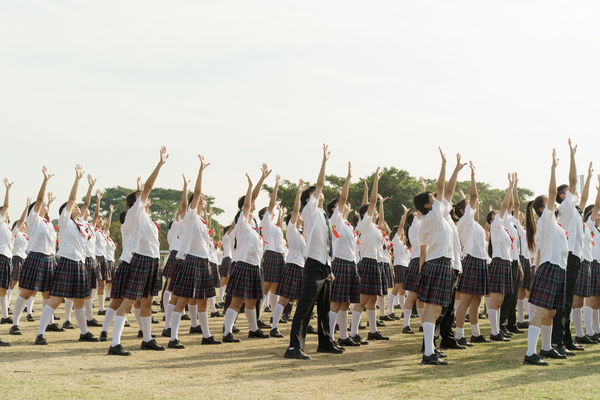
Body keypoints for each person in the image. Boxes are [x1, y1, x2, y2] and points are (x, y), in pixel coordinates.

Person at [107, 146, 168, 356]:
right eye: (141, 195)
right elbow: (149, 186)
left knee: (148, 301)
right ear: (135, 202)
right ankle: (115, 343)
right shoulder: (134, 212)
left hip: (152, 260)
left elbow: (145, 190)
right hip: (140, 259)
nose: (146, 195)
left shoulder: (145, 216)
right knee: (129, 301)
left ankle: (148, 339)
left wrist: (139, 188)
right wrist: (159, 164)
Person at [284, 144, 343, 359]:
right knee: (305, 308)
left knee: (325, 309)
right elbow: (319, 183)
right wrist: (324, 162)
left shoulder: (323, 215)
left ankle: (325, 343)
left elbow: (326, 241)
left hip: (324, 265)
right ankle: (294, 347)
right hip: (313, 264)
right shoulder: (309, 210)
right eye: (316, 194)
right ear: (309, 199)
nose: (320, 194)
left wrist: (330, 266)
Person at [35, 164, 99, 345]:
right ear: (66, 211)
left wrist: (90, 188)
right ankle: (40, 334)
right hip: (67, 262)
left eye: (78, 207)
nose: (78, 207)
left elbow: (86, 205)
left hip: (80, 264)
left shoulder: (81, 224)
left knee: (80, 300)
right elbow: (72, 199)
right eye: (75, 207)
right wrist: (77, 179)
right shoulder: (65, 220)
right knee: (55, 299)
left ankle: (84, 332)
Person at [524, 149, 570, 365]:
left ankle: (546, 347)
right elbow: (552, 192)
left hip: (558, 268)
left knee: (551, 312)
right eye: (550, 202)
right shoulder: (547, 220)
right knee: (542, 312)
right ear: (543, 208)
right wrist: (553, 168)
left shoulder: (555, 224)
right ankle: (530, 353)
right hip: (550, 268)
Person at [413, 148, 456, 365]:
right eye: (432, 197)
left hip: (435, 263)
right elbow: (442, 188)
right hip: (439, 263)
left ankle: (430, 350)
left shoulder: (431, 218)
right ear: (428, 205)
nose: (436, 197)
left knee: (434, 310)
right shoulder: (433, 216)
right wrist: (444, 164)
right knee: (434, 309)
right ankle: (428, 353)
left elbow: (444, 192)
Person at [10, 167, 57, 336]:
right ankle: (14, 323)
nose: (44, 205)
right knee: (28, 291)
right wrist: (45, 180)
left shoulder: (48, 223)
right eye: (42, 205)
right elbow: (39, 199)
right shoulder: (34, 219)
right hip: (36, 256)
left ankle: (50, 323)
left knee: (48, 292)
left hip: (50, 259)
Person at [222, 172, 269, 342]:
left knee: (253, 300)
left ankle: (254, 329)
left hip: (254, 264)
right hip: (242, 264)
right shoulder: (241, 221)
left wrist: (262, 179)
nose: (254, 205)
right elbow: (249, 202)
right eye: (250, 204)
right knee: (238, 300)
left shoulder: (254, 223)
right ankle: (227, 332)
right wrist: (252, 185)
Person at [552, 139, 585, 356]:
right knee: (563, 301)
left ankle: (566, 339)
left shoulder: (573, 209)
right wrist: (572, 156)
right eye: (569, 191)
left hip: (576, 257)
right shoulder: (564, 207)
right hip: (568, 256)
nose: (574, 193)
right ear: (563, 195)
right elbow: (573, 180)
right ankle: (557, 342)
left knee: (569, 300)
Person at [349, 168, 390, 343]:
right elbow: (370, 202)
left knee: (373, 299)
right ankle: (353, 333)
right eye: (372, 211)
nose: (375, 212)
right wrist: (375, 181)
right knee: (363, 299)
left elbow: (371, 207)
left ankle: (373, 331)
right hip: (367, 262)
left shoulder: (374, 227)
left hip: (377, 263)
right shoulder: (364, 224)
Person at [455, 161, 491, 345]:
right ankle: (459, 335)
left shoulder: (474, 224)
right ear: (463, 210)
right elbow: (474, 196)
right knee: (465, 300)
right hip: (470, 260)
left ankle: (475, 333)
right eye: (469, 205)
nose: (473, 206)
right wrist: (472, 177)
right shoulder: (464, 222)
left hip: (481, 261)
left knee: (477, 300)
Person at [328, 163, 362, 346]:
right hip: (340, 262)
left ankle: (342, 336)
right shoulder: (335, 221)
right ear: (335, 208)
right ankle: (330, 337)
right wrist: (348, 178)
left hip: (351, 263)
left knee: (346, 302)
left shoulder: (348, 225)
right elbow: (343, 198)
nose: (346, 205)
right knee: (336, 301)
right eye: (340, 205)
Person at [271, 180, 306, 338]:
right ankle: (274, 327)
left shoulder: (303, 233)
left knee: (301, 301)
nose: (299, 215)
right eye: (297, 215)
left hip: (302, 268)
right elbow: (296, 208)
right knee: (284, 299)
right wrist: (299, 192)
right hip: (292, 265)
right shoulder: (291, 230)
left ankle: (301, 327)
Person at [487, 175, 516, 342]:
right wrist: (510, 187)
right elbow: (505, 205)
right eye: (496, 214)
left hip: (506, 263)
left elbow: (509, 206)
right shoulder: (496, 225)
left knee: (500, 301)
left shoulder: (504, 228)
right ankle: (494, 332)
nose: (500, 213)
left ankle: (497, 330)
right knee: (495, 300)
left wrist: (512, 188)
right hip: (499, 262)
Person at [0, 179, 15, 327]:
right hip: (1, 256)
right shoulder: (0, 222)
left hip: (7, 258)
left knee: (4, 289)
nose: (7, 213)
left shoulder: (8, 228)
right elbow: (6, 205)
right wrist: (8, 189)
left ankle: (5, 316)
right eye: (5, 213)